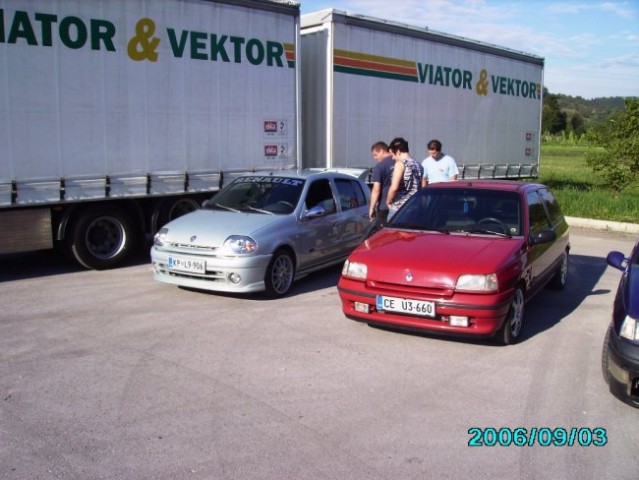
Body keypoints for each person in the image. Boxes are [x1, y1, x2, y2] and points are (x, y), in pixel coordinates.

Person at [386, 137, 422, 220]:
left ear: (398, 151)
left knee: (393, 233)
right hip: (415, 206)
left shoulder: (400, 164)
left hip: (400, 208)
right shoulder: (418, 165)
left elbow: (394, 187)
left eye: (393, 155)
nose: (393, 158)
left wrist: (388, 201)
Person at [368, 141, 394, 229]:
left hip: (384, 206)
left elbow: (376, 190)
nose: (375, 158)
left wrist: (371, 208)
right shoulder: (399, 162)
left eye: (375, 155)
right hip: (400, 206)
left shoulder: (379, 167)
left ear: (382, 151)